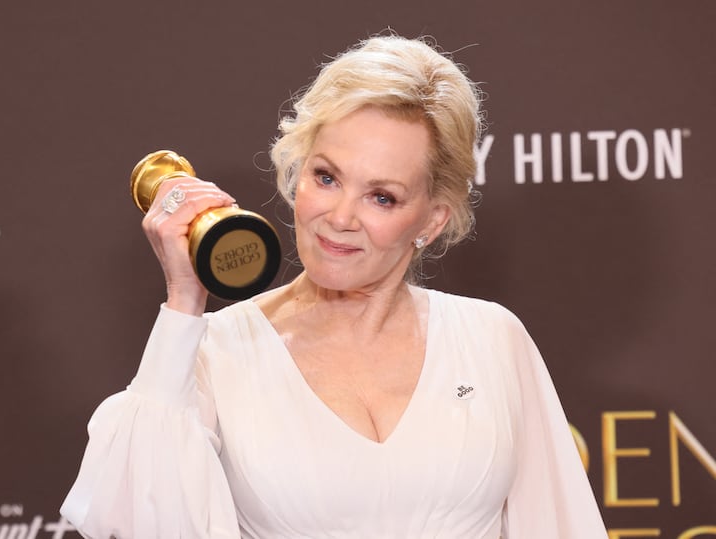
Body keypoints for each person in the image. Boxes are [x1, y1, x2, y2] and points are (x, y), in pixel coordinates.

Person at [60, 35, 608, 538]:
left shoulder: (491, 339)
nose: (340, 217)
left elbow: (561, 525)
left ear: (432, 220)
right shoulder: (211, 352)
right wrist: (184, 301)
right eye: (326, 177)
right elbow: (131, 520)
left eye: (382, 196)